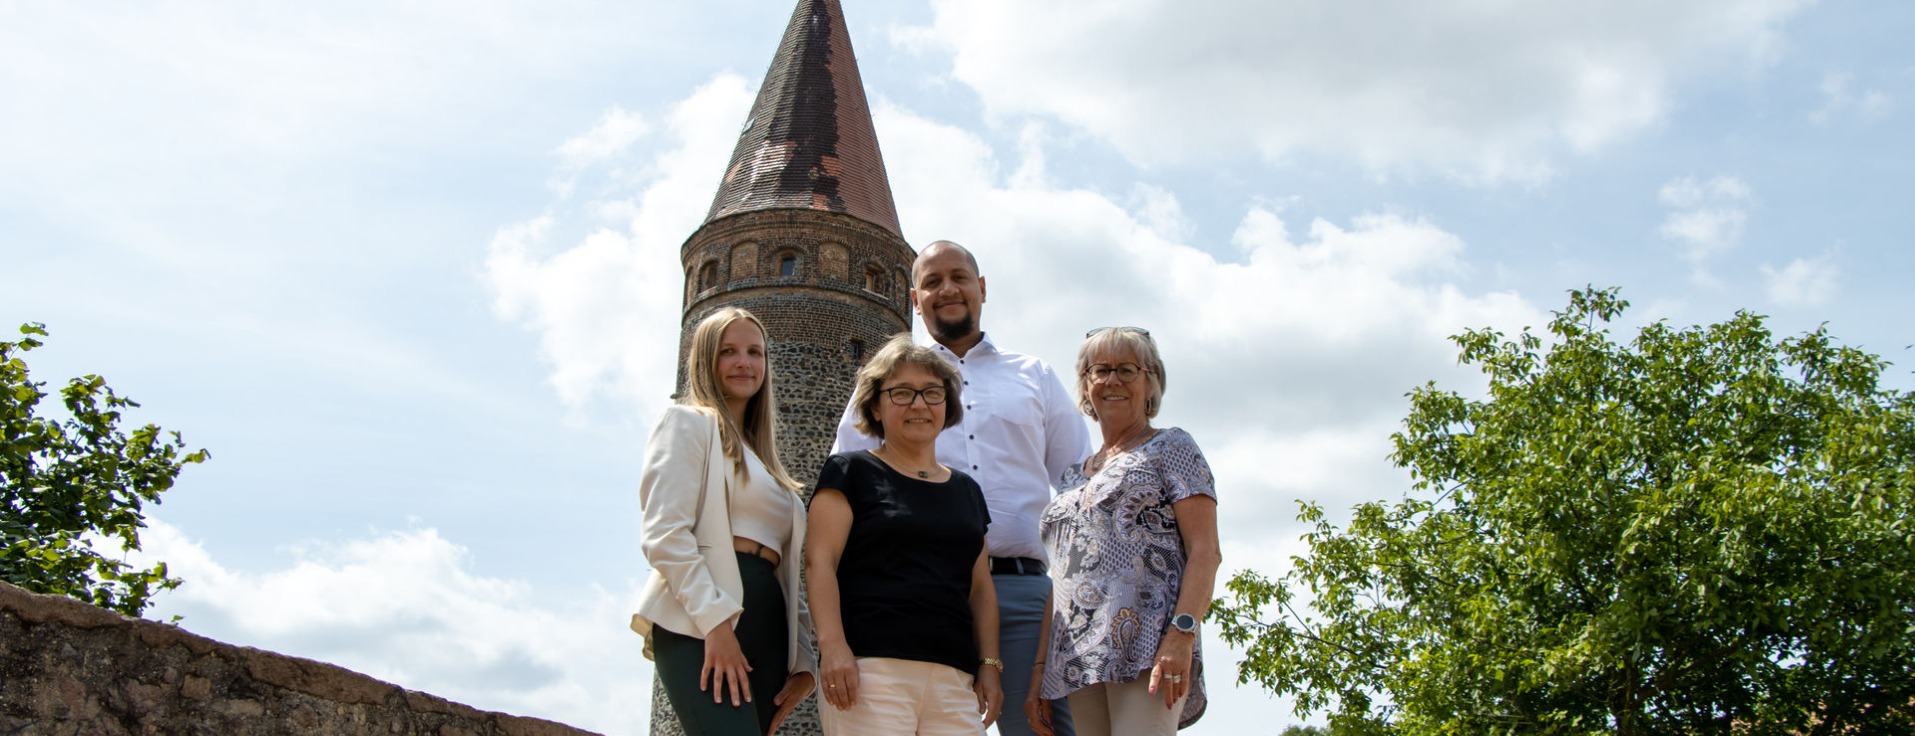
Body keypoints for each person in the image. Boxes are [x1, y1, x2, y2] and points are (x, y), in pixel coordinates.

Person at [833, 240, 1091, 736]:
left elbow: (1080, 487)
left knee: (1041, 728)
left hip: (1021, 590)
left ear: (982, 288)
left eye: (958, 277)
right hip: (917, 593)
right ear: (914, 298)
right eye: (931, 282)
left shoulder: (1033, 376)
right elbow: (846, 485)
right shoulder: (885, 383)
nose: (946, 289)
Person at [1026, 327, 1221, 736]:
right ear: (1086, 386)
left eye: (1127, 369)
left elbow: (1206, 551)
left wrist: (1181, 635)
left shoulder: (1172, 447)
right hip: (1078, 658)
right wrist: (1041, 669)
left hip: (1148, 646)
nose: (1112, 380)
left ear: (1151, 382)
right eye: (1100, 370)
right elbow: (1061, 577)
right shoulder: (1070, 476)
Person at [630, 307, 816, 736]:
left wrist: (805, 660)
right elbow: (664, 534)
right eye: (728, 352)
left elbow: (790, 570)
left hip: (768, 620)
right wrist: (715, 624)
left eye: (755, 352)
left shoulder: (772, 468)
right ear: (705, 361)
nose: (744, 363)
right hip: (699, 615)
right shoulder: (686, 424)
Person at [807, 334, 1004, 734]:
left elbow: (980, 587)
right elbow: (818, 562)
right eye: (901, 393)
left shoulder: (967, 490)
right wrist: (833, 647)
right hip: (871, 672)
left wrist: (990, 666)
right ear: (875, 406)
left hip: (954, 678)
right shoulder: (850, 471)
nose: (918, 404)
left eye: (932, 393)